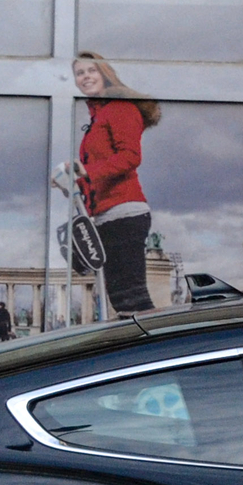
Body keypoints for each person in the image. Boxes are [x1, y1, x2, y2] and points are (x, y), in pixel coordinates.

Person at [70, 52, 163, 317]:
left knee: (133, 298)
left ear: (105, 74)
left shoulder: (120, 109)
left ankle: (162, 350)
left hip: (124, 211)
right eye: (80, 73)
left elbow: (131, 156)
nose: (85, 77)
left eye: (91, 71)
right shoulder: (97, 118)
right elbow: (96, 170)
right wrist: (74, 178)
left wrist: (86, 172)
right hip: (105, 215)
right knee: (121, 301)